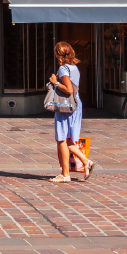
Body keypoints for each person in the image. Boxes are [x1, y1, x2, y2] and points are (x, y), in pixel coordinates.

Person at [47, 41, 94, 183]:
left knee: (61, 138)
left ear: (58, 54)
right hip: (75, 105)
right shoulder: (74, 67)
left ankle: (67, 173)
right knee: (67, 139)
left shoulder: (63, 69)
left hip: (65, 106)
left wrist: (55, 82)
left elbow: (69, 89)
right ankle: (84, 163)